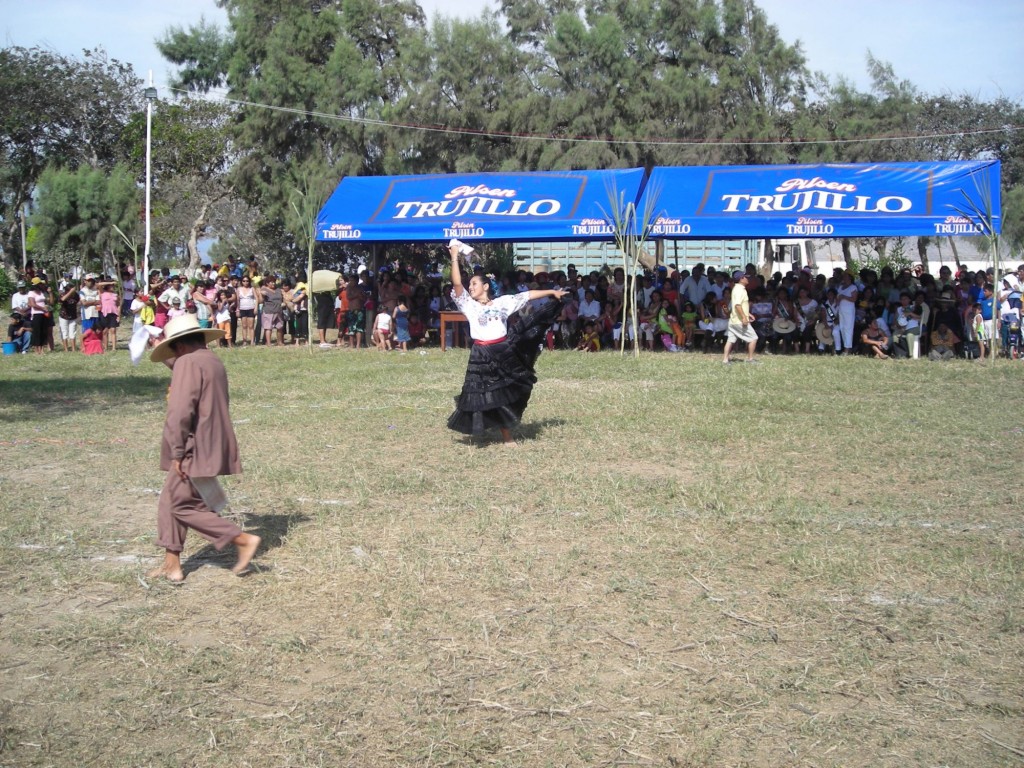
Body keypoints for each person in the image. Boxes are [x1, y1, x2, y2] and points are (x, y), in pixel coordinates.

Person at [146, 314, 261, 584]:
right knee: (170, 500)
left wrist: (177, 452)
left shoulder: (187, 362)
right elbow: (188, 374)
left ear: (179, 345)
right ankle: (172, 564)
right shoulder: (210, 360)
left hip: (194, 445)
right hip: (211, 442)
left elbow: (180, 411)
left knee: (180, 505)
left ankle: (241, 539)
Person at [446, 243, 568, 445]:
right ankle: (485, 429)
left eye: (474, 284)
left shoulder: (503, 302)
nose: (470, 287)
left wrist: (551, 293)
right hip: (480, 354)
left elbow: (527, 295)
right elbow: (457, 283)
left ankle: (507, 436)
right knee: (482, 394)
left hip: (503, 352)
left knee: (506, 392)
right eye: (470, 285)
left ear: (486, 286)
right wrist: (454, 256)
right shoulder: (468, 305)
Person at [722, 271, 758, 364]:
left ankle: (725, 360)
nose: (747, 278)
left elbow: (739, 305)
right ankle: (750, 359)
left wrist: (748, 314)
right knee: (753, 338)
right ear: (741, 279)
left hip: (733, 320)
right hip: (739, 321)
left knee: (730, 340)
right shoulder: (739, 290)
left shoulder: (736, 288)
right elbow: (737, 305)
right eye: (745, 277)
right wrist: (744, 317)